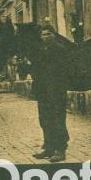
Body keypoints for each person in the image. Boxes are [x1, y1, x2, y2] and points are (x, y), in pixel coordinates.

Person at [31, 22, 71, 163]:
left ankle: (61, 150)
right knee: (44, 119)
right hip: (43, 92)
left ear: (53, 35)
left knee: (58, 119)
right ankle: (48, 148)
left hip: (56, 90)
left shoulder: (60, 49)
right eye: (43, 34)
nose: (45, 36)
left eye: (48, 34)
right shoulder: (40, 50)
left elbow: (64, 71)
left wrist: (57, 86)